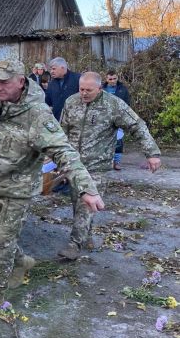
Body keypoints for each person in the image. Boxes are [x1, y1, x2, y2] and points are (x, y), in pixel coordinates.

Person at [0, 60, 103, 318]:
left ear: (21, 81)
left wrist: (87, 188)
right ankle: (22, 261)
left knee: (1, 243)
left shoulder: (37, 115)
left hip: (18, 190)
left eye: (5, 81)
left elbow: (64, 151)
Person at [58, 72, 161, 260]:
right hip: (74, 165)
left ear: (100, 88)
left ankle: (74, 245)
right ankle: (86, 235)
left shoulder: (113, 105)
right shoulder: (71, 102)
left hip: (98, 166)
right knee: (77, 202)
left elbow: (137, 126)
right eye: (81, 89)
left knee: (85, 204)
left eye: (89, 90)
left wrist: (152, 153)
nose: (84, 93)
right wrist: (56, 159)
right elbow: (61, 131)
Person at [102, 70, 131, 170]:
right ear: (106, 79)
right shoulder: (101, 89)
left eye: (114, 78)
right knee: (104, 141)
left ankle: (116, 162)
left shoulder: (123, 89)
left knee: (118, 141)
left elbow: (127, 104)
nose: (113, 81)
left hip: (119, 118)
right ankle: (105, 162)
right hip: (104, 119)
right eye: (110, 79)